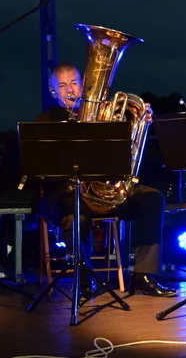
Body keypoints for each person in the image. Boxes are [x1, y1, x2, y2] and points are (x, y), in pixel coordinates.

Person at [34, 62, 176, 298]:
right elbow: (40, 169)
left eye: (74, 83)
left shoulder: (104, 115)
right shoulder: (44, 122)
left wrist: (141, 121)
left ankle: (143, 275)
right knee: (75, 218)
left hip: (105, 191)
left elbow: (124, 153)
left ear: (83, 85)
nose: (70, 89)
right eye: (62, 85)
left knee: (153, 199)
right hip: (64, 195)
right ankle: (84, 279)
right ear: (53, 92)